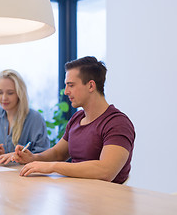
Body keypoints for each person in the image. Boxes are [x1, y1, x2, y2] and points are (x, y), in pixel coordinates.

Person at [12, 56, 135, 184]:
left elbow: (106, 171)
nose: (66, 92)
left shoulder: (118, 123)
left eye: (71, 85)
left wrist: (53, 167)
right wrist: (33, 158)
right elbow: (58, 153)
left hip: (107, 199)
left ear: (91, 86)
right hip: (77, 193)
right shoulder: (77, 118)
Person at [0, 69, 49, 164]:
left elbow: (42, 156)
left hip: (25, 175)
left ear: (19, 93)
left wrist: (19, 157)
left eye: (10, 93)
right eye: (0, 92)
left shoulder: (35, 119)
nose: (4, 98)